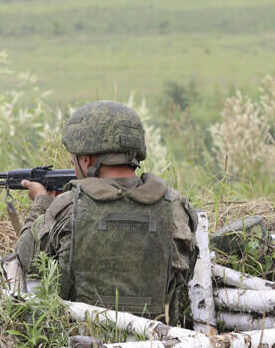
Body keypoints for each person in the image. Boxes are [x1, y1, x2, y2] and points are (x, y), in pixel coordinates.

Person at [13, 100, 198, 326]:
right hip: (160, 347)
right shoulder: (176, 207)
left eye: (74, 160)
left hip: (78, 343)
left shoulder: (68, 208)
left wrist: (41, 203)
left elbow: (23, 260)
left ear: (87, 159)